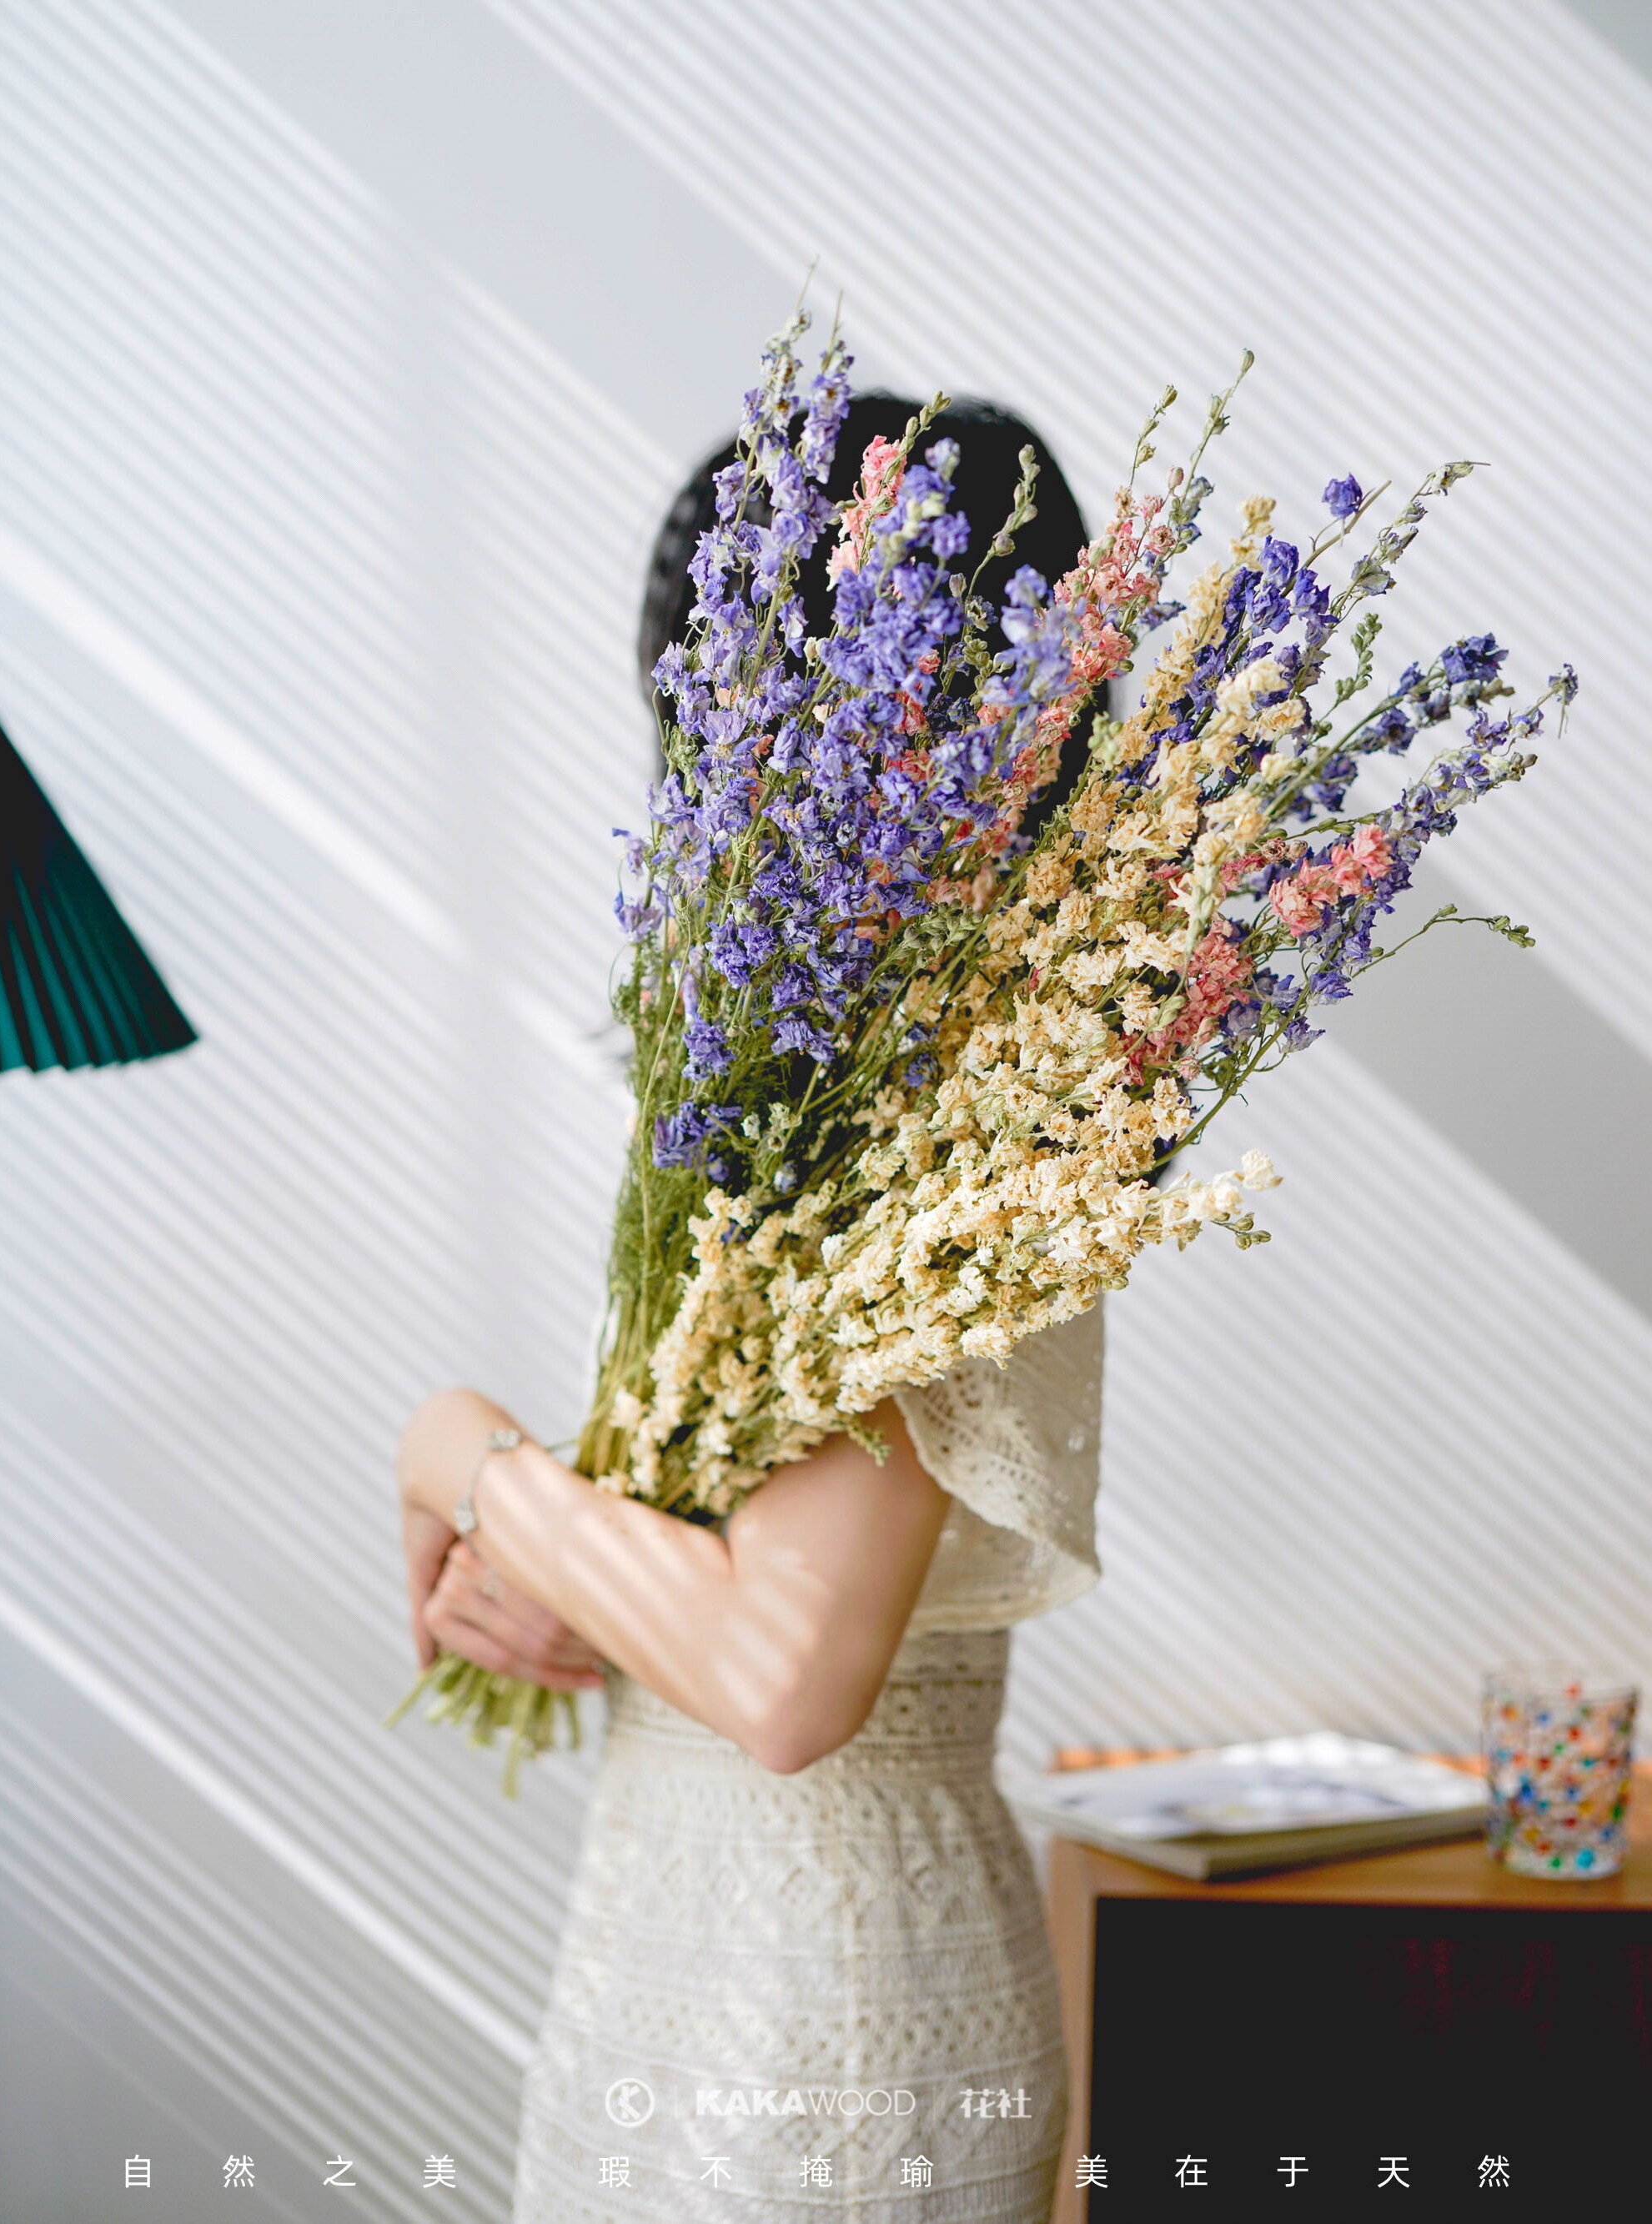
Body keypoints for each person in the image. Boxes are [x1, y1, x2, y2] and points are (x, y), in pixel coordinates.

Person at [396, 397, 1108, 2223]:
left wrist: (466, 1454)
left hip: (825, 2038)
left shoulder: (960, 1095)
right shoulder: (796, 1075)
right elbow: (725, 1573)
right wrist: (549, 1560)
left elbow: (786, 1679)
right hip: (666, 1948)